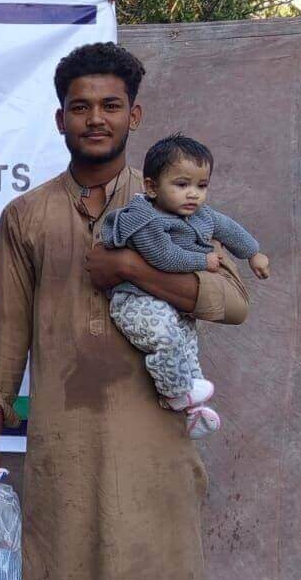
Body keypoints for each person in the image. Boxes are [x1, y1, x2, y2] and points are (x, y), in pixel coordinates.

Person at [0, 42, 251, 580]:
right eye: (81, 106)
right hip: (62, 445)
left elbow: (234, 303)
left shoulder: (171, 205)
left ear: (133, 116)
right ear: (60, 119)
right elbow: (6, 341)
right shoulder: (26, 216)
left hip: (155, 443)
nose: (96, 118)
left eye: (111, 105)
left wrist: (133, 269)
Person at [96, 134, 271, 439]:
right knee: (166, 338)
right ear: (152, 187)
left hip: (170, 302)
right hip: (136, 301)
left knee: (187, 348)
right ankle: (176, 394)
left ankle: (194, 412)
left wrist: (253, 253)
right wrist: (203, 260)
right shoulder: (145, 219)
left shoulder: (199, 215)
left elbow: (228, 228)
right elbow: (163, 257)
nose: (193, 194)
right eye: (181, 185)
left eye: (201, 186)